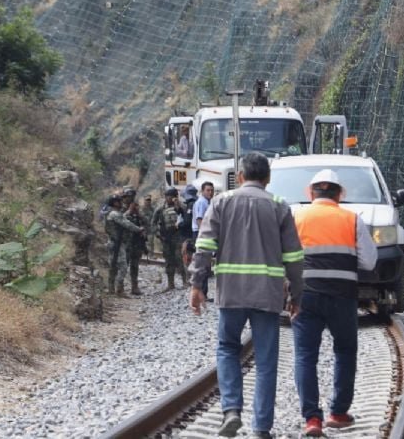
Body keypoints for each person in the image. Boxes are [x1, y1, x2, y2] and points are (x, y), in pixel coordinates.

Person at [189, 153, 305, 438]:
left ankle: (231, 410)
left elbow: (203, 247)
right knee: (266, 361)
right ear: (267, 179)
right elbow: (294, 257)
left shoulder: (221, 202)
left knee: (228, 349)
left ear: (240, 177)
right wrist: (297, 296)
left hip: (231, 293)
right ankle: (262, 428)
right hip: (267, 295)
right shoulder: (279, 206)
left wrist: (197, 285)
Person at [289, 169, 377, 437]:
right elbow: (369, 261)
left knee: (305, 356)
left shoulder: (297, 217)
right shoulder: (352, 220)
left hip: (306, 297)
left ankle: (312, 420)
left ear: (310, 193)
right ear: (340, 194)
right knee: (345, 351)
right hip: (342, 296)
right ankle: (338, 413)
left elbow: (284, 258)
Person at [104, 194, 145, 297]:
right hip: (117, 244)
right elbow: (126, 223)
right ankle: (119, 290)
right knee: (123, 266)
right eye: (118, 201)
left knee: (113, 266)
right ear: (114, 203)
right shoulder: (115, 214)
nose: (121, 202)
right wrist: (138, 229)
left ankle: (111, 289)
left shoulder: (110, 213)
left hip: (113, 242)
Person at [152, 187, 188, 290]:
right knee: (168, 260)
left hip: (178, 237)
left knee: (179, 258)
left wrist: (178, 204)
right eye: (167, 196)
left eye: (171, 197)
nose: (168, 199)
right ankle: (170, 283)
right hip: (166, 237)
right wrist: (157, 233)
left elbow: (186, 216)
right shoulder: (161, 208)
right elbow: (153, 223)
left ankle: (185, 281)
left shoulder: (182, 206)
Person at [122, 187, 147, 295]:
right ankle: (120, 287)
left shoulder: (136, 208)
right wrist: (129, 211)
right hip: (125, 242)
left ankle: (134, 287)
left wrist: (138, 213)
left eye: (132, 196)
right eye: (129, 196)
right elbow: (120, 221)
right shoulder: (121, 208)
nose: (130, 198)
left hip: (136, 242)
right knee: (123, 265)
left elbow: (145, 222)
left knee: (135, 265)